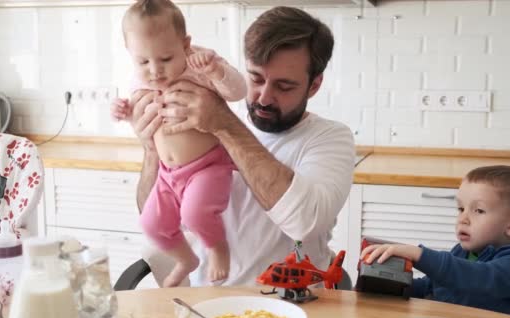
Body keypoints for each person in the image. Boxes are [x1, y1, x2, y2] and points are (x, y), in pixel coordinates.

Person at [114, 6, 355, 286]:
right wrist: (152, 150)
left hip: (292, 306)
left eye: (284, 86)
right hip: (209, 304)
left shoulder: (330, 138)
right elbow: (159, 213)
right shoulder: (203, 115)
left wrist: (224, 124)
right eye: (256, 78)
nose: (264, 97)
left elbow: (304, 223)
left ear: (313, 86)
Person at [110, 0, 247, 286]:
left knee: (195, 214)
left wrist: (215, 70)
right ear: (130, 54)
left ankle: (218, 249)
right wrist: (122, 110)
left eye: (166, 59)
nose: (155, 71)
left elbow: (237, 91)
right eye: (143, 61)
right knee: (151, 226)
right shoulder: (138, 79)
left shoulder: (198, 67)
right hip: (167, 175)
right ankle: (186, 259)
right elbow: (137, 112)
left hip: (207, 167)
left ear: (185, 45)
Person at [361, 165, 510, 318]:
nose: (463, 219)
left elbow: (481, 279)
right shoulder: (461, 253)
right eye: (460, 209)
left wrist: (419, 255)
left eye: (478, 211)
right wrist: (387, 287)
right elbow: (430, 286)